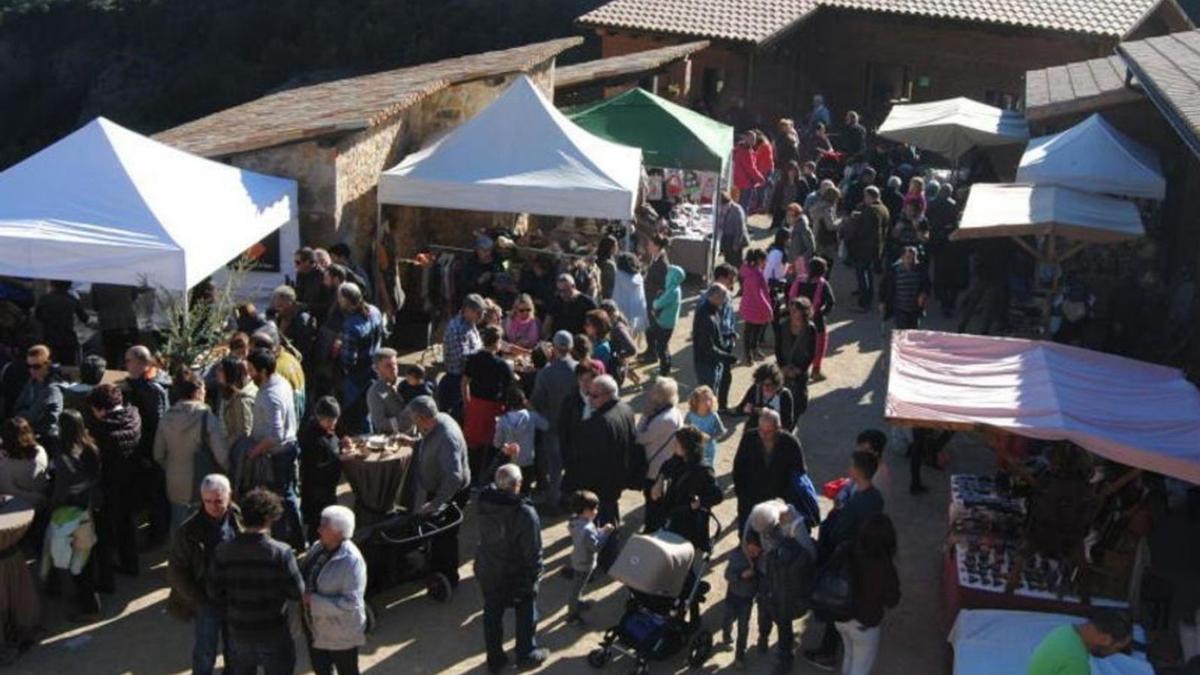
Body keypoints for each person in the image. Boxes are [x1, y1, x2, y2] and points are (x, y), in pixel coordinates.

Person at [208, 488, 305, 675]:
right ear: (270, 518)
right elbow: (297, 592)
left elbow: (214, 591)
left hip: (238, 631)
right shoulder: (281, 552)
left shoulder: (223, 551)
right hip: (273, 631)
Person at [806, 450, 887, 671]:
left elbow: (836, 534)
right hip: (862, 573)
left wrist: (836, 515)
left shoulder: (854, 505)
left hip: (846, 563)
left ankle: (829, 654)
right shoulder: (876, 498)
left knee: (839, 611)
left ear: (856, 472)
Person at [475, 463, 547, 673]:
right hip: (516, 574)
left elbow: (484, 480)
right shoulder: (525, 513)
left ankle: (495, 659)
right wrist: (535, 576)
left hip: (489, 569)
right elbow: (533, 551)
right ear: (518, 485)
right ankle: (526, 653)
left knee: (491, 614)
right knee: (526, 612)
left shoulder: (483, 500)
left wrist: (502, 456)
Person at [167, 474, 242, 675]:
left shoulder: (241, 520)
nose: (213, 506)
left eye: (218, 501)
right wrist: (199, 600)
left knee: (235, 650)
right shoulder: (188, 531)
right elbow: (176, 571)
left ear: (229, 496)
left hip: (235, 598)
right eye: (207, 501)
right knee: (205, 651)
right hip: (206, 599)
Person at [744, 498, 818, 671]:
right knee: (763, 609)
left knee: (784, 620)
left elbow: (810, 555)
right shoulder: (756, 513)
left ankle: (785, 660)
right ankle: (763, 636)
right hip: (765, 575)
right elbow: (745, 539)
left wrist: (789, 556)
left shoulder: (793, 522)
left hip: (785, 582)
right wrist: (750, 547)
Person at [407, 396, 471, 592]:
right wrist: (413, 441)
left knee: (446, 536)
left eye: (413, 418)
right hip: (439, 491)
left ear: (422, 418)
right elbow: (428, 440)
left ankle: (448, 578)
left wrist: (436, 503)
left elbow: (454, 477)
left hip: (449, 494)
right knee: (434, 533)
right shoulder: (438, 420)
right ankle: (433, 567)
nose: (412, 421)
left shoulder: (446, 438)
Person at [46, 409, 103, 620]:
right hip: (88, 508)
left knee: (77, 560)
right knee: (87, 555)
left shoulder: (64, 455)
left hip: (70, 513)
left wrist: (53, 506)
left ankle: (89, 606)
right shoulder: (91, 447)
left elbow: (61, 488)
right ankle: (89, 598)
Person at [245, 348, 303, 550]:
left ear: (263, 371)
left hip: (278, 455)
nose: (249, 373)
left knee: (280, 501)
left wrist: (255, 451)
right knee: (288, 497)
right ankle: (297, 539)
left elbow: (276, 434)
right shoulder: (280, 382)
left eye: (252, 369)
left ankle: (287, 542)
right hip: (286, 449)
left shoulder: (270, 395)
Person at [154, 370, 228, 528]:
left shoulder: (166, 417)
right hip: (202, 483)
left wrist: (172, 467)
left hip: (174, 482)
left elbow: (158, 453)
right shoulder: (206, 417)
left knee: (179, 526)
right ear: (197, 391)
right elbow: (221, 454)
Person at [561, 374, 636, 526]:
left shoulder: (600, 423)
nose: (589, 399)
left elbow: (591, 459)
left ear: (608, 395)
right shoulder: (626, 409)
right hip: (618, 476)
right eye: (588, 393)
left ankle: (608, 546)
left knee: (603, 522)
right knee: (611, 513)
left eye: (594, 396)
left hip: (601, 484)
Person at [302, 505, 368, 675]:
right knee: (321, 669)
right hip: (315, 628)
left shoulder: (351, 561)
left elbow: (351, 602)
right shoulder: (318, 546)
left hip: (340, 634)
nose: (318, 529)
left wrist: (313, 601)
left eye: (324, 526)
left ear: (338, 532)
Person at [85, 383, 141, 578]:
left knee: (106, 532)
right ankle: (130, 564)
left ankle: (107, 575)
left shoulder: (101, 431)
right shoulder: (134, 416)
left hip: (109, 486)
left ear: (100, 409)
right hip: (133, 480)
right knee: (126, 525)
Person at [732, 409, 817, 535]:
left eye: (768, 432)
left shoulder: (790, 443)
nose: (764, 435)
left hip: (778, 497)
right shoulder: (749, 438)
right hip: (751, 495)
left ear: (778, 428)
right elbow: (738, 466)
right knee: (747, 529)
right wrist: (740, 492)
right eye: (761, 430)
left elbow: (800, 471)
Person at [835, 514, 901, 675]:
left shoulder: (849, 549)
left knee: (849, 654)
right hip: (864, 623)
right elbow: (892, 600)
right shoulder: (884, 567)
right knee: (860, 667)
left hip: (840, 615)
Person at [123, 344, 172, 543]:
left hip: (153, 450)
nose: (125, 365)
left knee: (157, 495)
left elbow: (155, 423)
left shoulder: (151, 387)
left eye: (128, 361)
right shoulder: (148, 381)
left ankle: (158, 535)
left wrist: (149, 453)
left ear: (139, 362)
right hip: (151, 449)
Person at [647, 426, 723, 551]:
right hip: (674, 515)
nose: (673, 445)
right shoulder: (678, 458)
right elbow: (666, 466)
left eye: (677, 443)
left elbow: (717, 495)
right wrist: (659, 481)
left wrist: (699, 503)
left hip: (690, 522)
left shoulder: (703, 470)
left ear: (687, 447)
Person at [530, 331, 577, 511]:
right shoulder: (578, 370)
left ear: (554, 349)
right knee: (572, 464)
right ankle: (571, 499)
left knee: (554, 467)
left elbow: (536, 401)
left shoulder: (545, 373)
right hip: (573, 427)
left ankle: (553, 502)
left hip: (552, 426)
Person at [462, 325, 516, 481]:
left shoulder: (472, 359)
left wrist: (467, 402)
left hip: (475, 405)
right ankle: (486, 479)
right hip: (493, 408)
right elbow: (508, 389)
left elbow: (464, 382)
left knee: (473, 446)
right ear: (497, 342)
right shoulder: (502, 365)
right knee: (493, 446)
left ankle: (470, 477)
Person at [334, 283, 383, 434]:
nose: (337, 300)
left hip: (357, 378)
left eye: (339, 298)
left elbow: (349, 361)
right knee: (373, 407)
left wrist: (338, 349)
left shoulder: (351, 326)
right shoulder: (375, 311)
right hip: (375, 369)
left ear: (346, 301)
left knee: (359, 415)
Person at [636, 377, 683, 528]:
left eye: (655, 390)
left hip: (655, 468)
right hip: (663, 464)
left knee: (653, 502)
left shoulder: (663, 419)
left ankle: (652, 529)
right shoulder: (674, 411)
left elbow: (640, 438)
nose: (650, 392)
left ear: (660, 396)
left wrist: (644, 416)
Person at [1027, 611, 1133, 675]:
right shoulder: (1076, 662)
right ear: (1104, 639)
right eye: (1118, 648)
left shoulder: (1065, 631)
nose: (1114, 654)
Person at [565, 489, 613, 625]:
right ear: (586, 510)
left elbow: (589, 537)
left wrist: (599, 531)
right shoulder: (587, 529)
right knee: (577, 588)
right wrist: (606, 533)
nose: (596, 511)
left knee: (578, 586)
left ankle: (577, 603)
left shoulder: (577, 521)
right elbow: (596, 546)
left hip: (577, 559)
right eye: (595, 509)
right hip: (585, 563)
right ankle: (572, 615)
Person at [299, 397, 344, 543]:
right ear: (320, 418)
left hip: (327, 490)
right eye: (330, 421)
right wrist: (340, 459)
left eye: (335, 420)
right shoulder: (312, 437)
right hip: (316, 493)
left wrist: (342, 444)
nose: (333, 424)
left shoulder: (325, 429)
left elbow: (332, 442)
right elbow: (316, 470)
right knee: (318, 526)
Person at [788, 257, 836, 381]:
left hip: (797, 318)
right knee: (818, 346)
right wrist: (822, 313)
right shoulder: (823, 283)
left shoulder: (799, 280)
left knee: (797, 344)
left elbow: (791, 296)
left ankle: (794, 370)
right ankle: (816, 371)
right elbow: (831, 302)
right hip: (816, 319)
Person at [439, 293, 484, 419]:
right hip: (456, 381)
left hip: (469, 378)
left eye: (482, 313)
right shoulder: (457, 328)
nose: (481, 317)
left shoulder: (471, 324)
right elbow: (463, 358)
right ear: (467, 310)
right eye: (478, 312)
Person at [493, 388, 548, 489]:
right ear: (523, 402)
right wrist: (531, 408)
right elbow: (546, 425)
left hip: (509, 461)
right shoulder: (531, 417)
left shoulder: (503, 420)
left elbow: (497, 443)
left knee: (507, 490)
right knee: (525, 490)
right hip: (527, 461)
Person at [722, 530, 762, 666]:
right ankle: (726, 637)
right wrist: (741, 576)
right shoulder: (736, 556)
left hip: (747, 600)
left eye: (758, 551)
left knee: (743, 628)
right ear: (748, 545)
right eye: (754, 550)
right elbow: (727, 575)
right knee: (728, 619)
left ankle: (740, 656)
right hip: (733, 596)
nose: (756, 554)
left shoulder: (761, 559)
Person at [14, 344, 64, 450]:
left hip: (45, 441)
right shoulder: (32, 381)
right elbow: (17, 405)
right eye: (29, 366)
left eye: (36, 366)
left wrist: (24, 413)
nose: (32, 370)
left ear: (47, 364)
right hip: (29, 434)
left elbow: (33, 416)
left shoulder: (52, 388)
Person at [846, 186, 888, 311]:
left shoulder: (870, 210)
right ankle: (867, 296)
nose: (864, 199)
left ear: (870, 197)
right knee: (868, 273)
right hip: (876, 248)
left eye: (865, 196)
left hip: (864, 248)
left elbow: (863, 230)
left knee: (862, 274)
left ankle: (864, 302)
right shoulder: (884, 208)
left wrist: (855, 220)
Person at [775, 297, 816, 424]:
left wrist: (800, 369)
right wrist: (783, 366)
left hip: (800, 369)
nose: (792, 312)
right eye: (791, 309)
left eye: (796, 310)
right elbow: (778, 348)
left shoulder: (810, 328)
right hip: (784, 368)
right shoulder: (783, 326)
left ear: (804, 312)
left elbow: (811, 352)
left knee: (800, 402)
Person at [34, 281, 88, 367]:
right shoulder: (72, 299)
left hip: (50, 339)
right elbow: (85, 318)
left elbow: (38, 316)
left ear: (53, 285)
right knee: (68, 368)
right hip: (68, 340)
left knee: (49, 367)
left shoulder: (44, 299)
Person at [0, 417, 49, 508]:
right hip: (42, 497)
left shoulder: (8, 465)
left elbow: (6, 490)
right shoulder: (41, 450)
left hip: (24, 506)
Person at [879, 246, 930, 330]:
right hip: (899, 308)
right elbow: (884, 286)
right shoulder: (894, 271)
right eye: (908, 257)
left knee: (913, 331)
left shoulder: (920, 270)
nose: (911, 261)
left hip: (915, 308)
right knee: (902, 331)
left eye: (914, 258)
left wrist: (923, 294)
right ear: (902, 258)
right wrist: (882, 301)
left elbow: (927, 285)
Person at [736, 363, 796, 434]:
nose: (764, 388)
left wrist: (769, 415)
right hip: (754, 431)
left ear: (776, 383)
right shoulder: (756, 389)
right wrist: (747, 408)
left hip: (775, 434)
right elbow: (740, 409)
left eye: (768, 385)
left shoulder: (784, 395)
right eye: (762, 384)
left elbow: (788, 422)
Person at [90, 283, 139, 366]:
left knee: (111, 359)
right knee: (131, 359)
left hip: (108, 325)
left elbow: (95, 306)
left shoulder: (97, 283)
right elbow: (134, 296)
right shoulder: (127, 279)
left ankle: (113, 377)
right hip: (128, 322)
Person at [215, 356, 257, 453]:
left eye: (221, 370)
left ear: (230, 373)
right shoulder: (227, 392)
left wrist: (224, 448)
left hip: (237, 452)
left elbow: (244, 433)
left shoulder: (242, 400)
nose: (217, 372)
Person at [640, 233, 671, 363]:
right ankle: (650, 349)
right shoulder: (656, 257)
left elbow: (663, 284)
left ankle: (653, 354)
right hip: (650, 297)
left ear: (656, 246)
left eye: (650, 244)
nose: (647, 246)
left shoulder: (662, 262)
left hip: (655, 299)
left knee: (654, 327)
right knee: (649, 325)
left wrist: (646, 282)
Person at [649, 265, 684, 376]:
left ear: (672, 276)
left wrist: (654, 302)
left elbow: (658, 304)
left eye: (669, 273)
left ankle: (665, 369)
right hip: (667, 322)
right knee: (662, 344)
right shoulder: (675, 288)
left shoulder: (672, 291)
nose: (667, 275)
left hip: (664, 323)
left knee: (661, 347)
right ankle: (665, 364)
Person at [739, 249, 774, 363]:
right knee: (750, 331)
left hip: (750, 306)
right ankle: (748, 355)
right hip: (755, 307)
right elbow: (758, 295)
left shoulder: (751, 271)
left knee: (755, 330)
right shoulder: (755, 275)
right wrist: (768, 309)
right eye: (765, 260)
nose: (766, 263)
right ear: (759, 260)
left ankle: (754, 349)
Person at [270, 285, 317, 366]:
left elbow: (304, 349)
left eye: (280, 306)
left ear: (290, 303)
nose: (277, 309)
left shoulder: (303, 320)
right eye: (276, 306)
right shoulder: (280, 317)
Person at [365, 348, 408, 435]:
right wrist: (405, 422)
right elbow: (380, 423)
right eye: (388, 366)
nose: (393, 369)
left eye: (395, 364)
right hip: (392, 439)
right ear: (376, 369)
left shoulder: (406, 384)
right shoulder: (375, 392)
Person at [685, 386, 725, 468]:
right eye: (703, 399)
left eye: (709, 399)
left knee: (707, 469)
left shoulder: (713, 416)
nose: (707, 402)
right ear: (695, 401)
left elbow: (721, 431)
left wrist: (710, 437)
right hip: (694, 448)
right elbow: (685, 429)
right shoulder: (690, 415)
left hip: (708, 449)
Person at [810, 183, 842, 269]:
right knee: (828, 261)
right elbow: (830, 226)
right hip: (827, 239)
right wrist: (841, 221)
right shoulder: (828, 208)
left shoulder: (819, 205)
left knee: (817, 260)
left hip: (817, 235)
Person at [733, 132, 766, 213]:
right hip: (746, 183)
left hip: (737, 182)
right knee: (743, 207)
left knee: (737, 205)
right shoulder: (746, 151)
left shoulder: (739, 148)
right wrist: (761, 179)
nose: (753, 141)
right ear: (745, 138)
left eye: (754, 139)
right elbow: (751, 169)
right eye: (751, 139)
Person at [718, 190, 750, 268]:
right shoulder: (722, 207)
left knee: (736, 261)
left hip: (735, 239)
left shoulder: (736, 210)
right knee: (728, 260)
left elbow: (740, 230)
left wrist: (736, 245)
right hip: (727, 237)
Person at [770, 161, 804, 230]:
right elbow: (775, 197)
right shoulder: (781, 183)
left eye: (794, 170)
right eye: (790, 170)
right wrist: (772, 208)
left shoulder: (801, 183)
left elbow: (804, 197)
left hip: (795, 212)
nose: (792, 172)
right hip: (782, 211)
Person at [785, 203, 815, 276]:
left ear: (797, 216)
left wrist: (799, 259)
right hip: (791, 263)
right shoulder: (792, 226)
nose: (787, 218)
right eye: (787, 215)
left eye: (790, 216)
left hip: (799, 265)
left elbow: (811, 248)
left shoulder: (803, 228)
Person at [595, 236, 618, 300]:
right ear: (610, 248)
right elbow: (609, 286)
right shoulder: (609, 265)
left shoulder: (598, 260)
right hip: (606, 297)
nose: (617, 248)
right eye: (616, 246)